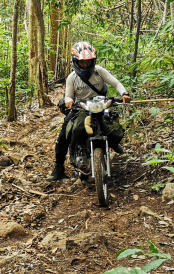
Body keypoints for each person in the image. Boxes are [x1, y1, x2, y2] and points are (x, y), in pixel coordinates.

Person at [47, 41, 131, 181]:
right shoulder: (72, 78)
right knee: (64, 133)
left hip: (101, 105)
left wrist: (124, 93)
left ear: (93, 60)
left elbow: (115, 83)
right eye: (82, 62)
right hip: (82, 107)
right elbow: (68, 95)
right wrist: (68, 100)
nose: (85, 65)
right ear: (75, 62)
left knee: (112, 124)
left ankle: (113, 143)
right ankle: (58, 168)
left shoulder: (99, 71)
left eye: (88, 62)